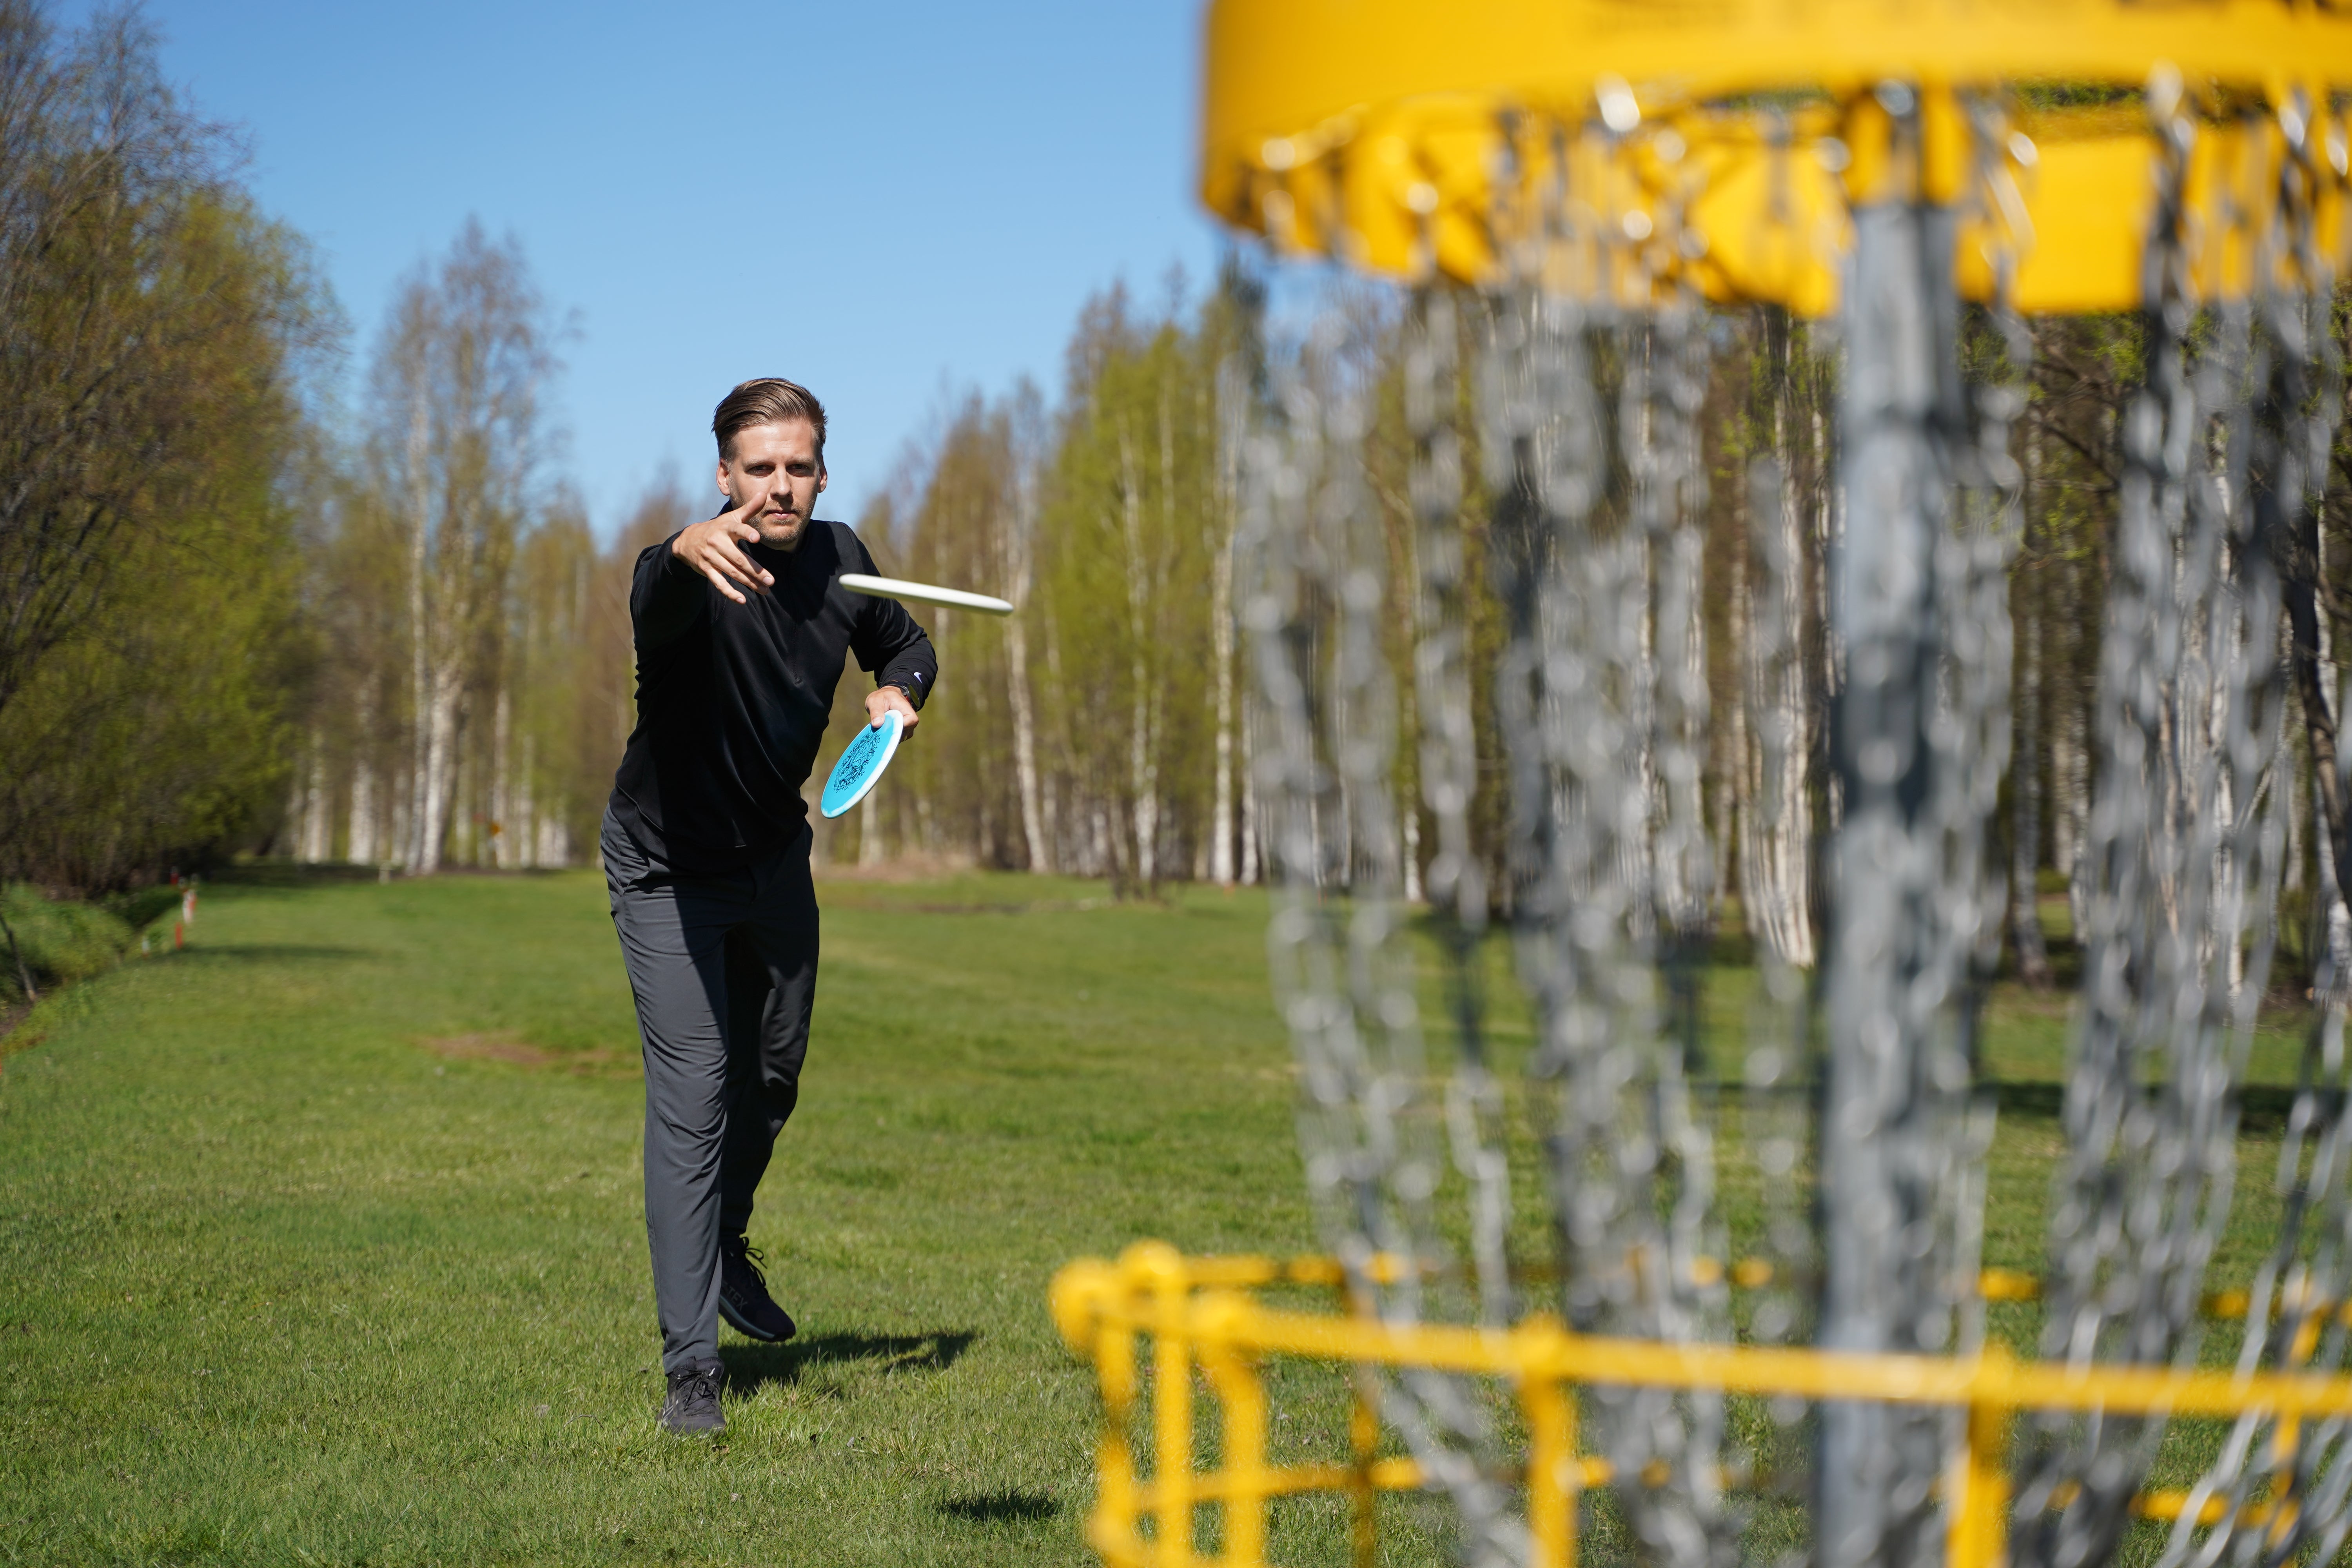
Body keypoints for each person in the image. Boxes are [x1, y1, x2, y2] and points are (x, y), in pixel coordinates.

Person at [601, 377, 935, 1435]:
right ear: (724, 477)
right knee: (696, 1090)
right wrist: (679, 551)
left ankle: (729, 1240)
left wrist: (900, 695)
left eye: (798, 465)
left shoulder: (843, 559)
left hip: (773, 861)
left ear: (822, 472)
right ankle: (692, 1369)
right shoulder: (696, 568)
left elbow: (910, 644)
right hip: (665, 867)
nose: (779, 486)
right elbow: (654, 591)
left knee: (773, 1078)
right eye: (759, 468)